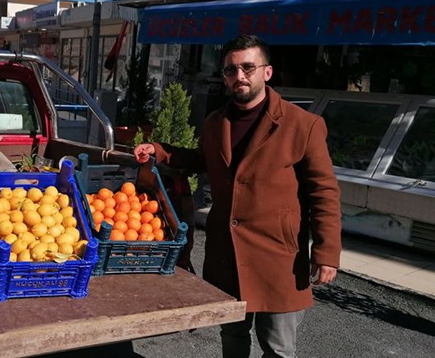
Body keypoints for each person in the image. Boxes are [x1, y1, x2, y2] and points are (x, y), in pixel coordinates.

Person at [134, 34, 341, 358]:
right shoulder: (216, 122)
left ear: (267, 72)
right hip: (225, 254)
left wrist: (327, 251)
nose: (239, 76)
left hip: (278, 257)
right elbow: (203, 160)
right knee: (231, 336)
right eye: (231, 70)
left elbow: (324, 192)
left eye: (248, 67)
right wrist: (160, 152)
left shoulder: (304, 125)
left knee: (277, 347)